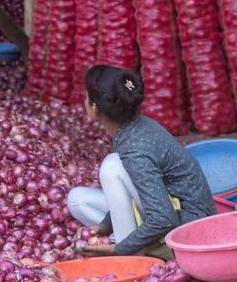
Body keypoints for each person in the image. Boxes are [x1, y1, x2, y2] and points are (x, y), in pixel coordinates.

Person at [68, 66, 215, 260]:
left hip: (187, 231)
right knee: (77, 200)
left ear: (94, 106)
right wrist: (105, 225)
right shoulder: (136, 126)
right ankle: (129, 240)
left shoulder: (135, 150)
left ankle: (129, 255)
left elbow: (164, 218)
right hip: (168, 208)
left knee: (112, 167)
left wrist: (119, 249)